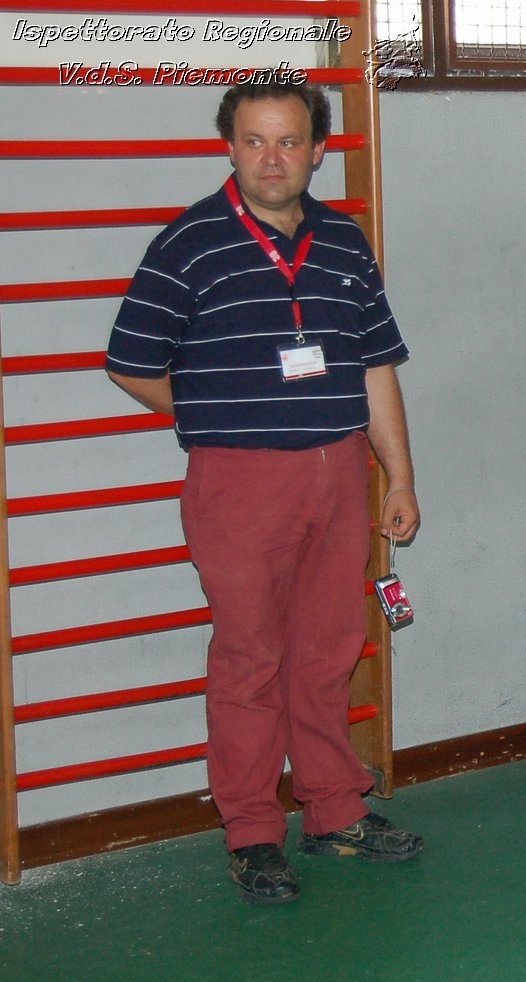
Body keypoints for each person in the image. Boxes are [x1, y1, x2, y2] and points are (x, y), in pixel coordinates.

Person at [105, 81, 423, 905]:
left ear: (318, 149)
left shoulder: (346, 244)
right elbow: (131, 363)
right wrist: (220, 413)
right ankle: (251, 831)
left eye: (289, 142)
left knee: (326, 651)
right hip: (239, 482)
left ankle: (333, 811)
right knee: (251, 657)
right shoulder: (188, 244)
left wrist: (399, 477)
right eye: (255, 142)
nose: (272, 159)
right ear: (231, 147)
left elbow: (374, 366)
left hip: (339, 471)